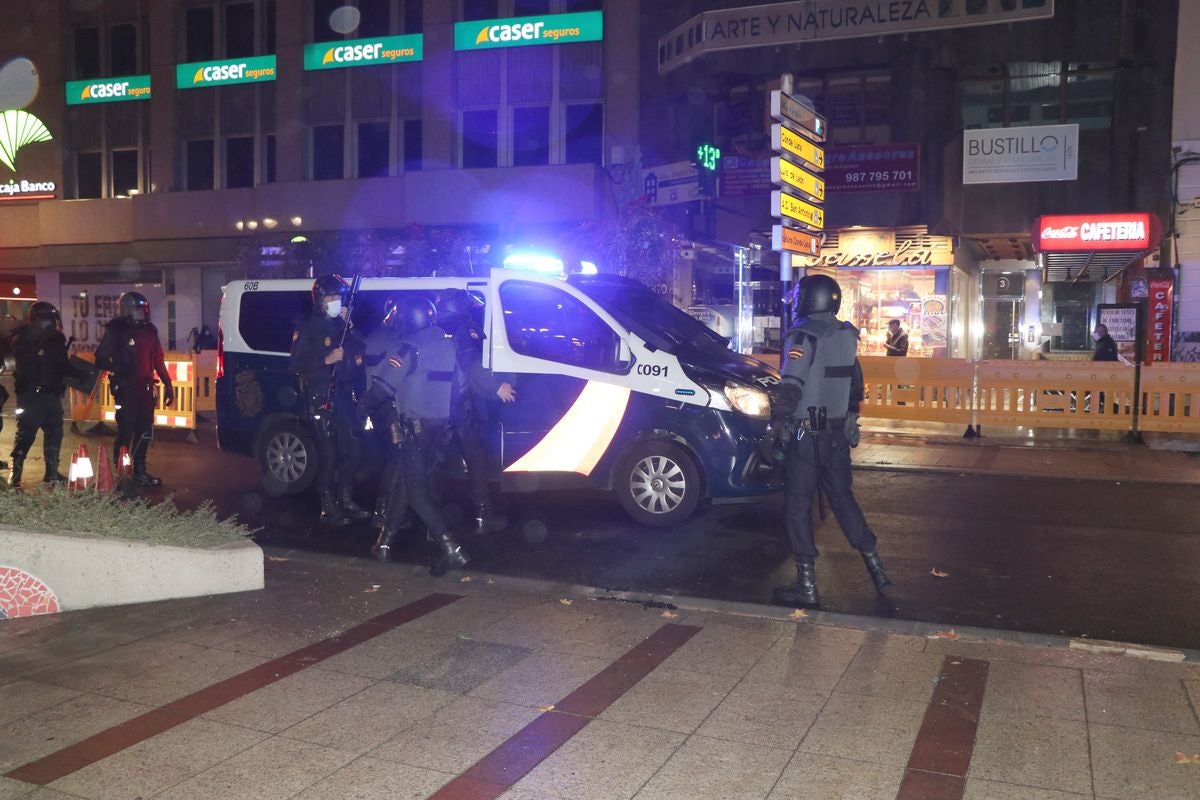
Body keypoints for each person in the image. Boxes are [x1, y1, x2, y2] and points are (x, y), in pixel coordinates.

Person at [771, 274, 892, 608]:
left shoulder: (803, 335)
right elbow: (855, 385)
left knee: (798, 506)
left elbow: (791, 387)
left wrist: (776, 425)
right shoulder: (845, 335)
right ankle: (876, 569)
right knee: (843, 500)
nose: (797, 300)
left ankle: (807, 586)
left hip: (806, 434)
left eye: (801, 295)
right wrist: (850, 418)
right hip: (836, 433)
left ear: (812, 299)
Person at [358, 295, 469, 576]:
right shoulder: (448, 344)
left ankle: (452, 548)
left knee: (416, 492)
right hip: (438, 431)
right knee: (407, 485)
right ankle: (384, 543)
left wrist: (361, 407)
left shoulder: (407, 349)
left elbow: (381, 389)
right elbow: (461, 386)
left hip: (414, 430)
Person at [290, 274, 370, 526]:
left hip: (344, 395)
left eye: (340, 297)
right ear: (321, 299)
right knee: (330, 454)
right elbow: (295, 363)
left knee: (355, 451)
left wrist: (352, 326)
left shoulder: (341, 325)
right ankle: (328, 505)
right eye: (332, 297)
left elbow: (361, 348)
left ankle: (346, 499)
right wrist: (325, 360)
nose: (337, 301)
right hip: (320, 396)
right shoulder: (308, 325)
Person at [437, 289, 517, 535]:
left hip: (436, 406)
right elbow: (472, 366)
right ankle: (484, 516)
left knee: (433, 464)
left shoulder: (434, 327)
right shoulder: (463, 330)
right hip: (461, 407)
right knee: (477, 461)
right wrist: (496, 387)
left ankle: (433, 523)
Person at [95, 292, 174, 486]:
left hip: (145, 388)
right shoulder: (117, 330)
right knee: (126, 430)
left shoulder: (149, 331)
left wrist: (168, 384)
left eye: (142, 309)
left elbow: (158, 360)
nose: (140, 314)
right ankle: (122, 472)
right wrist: (118, 367)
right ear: (127, 310)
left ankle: (140, 471)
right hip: (125, 387)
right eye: (137, 310)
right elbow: (100, 358)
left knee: (144, 430)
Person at [5, 302, 85, 487]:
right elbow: (30, 363)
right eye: (46, 321)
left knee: (51, 433)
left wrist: (80, 374)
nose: (49, 325)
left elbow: (60, 365)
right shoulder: (28, 338)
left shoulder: (49, 338)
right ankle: (17, 475)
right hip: (35, 397)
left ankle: (47, 474)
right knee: (28, 435)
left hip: (44, 396)